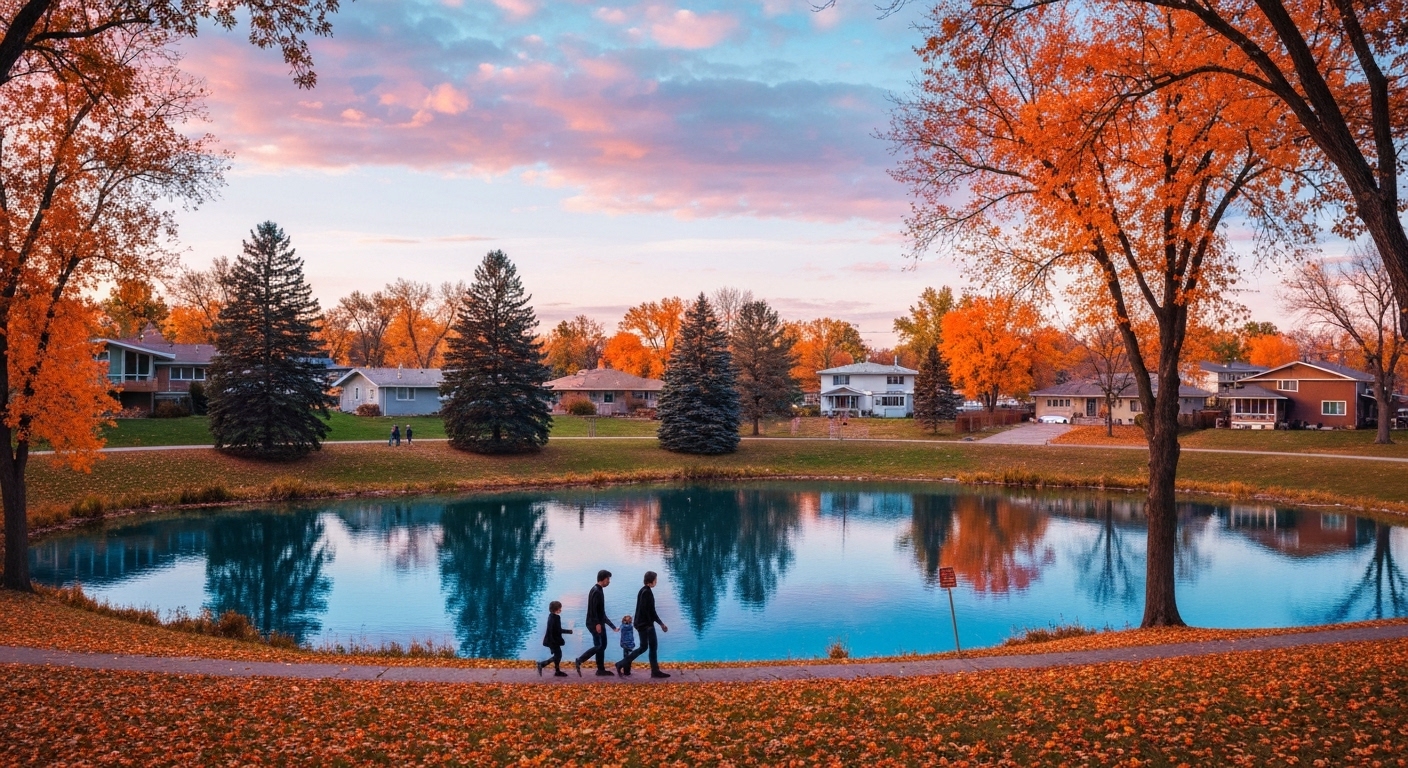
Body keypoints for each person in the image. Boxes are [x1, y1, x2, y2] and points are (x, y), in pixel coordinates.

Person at [618, 570, 669, 678]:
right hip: (646, 625)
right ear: (651, 581)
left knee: (644, 647)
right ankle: (655, 671)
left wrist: (658, 623)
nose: (656, 582)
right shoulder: (647, 592)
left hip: (641, 624)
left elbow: (646, 610)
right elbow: (650, 611)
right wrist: (660, 624)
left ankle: (621, 664)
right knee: (652, 647)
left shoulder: (643, 590)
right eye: (656, 580)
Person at [574, 570, 617, 676]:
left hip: (597, 622)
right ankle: (580, 660)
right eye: (608, 579)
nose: (609, 582)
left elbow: (601, 612)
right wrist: (597, 624)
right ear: (602, 579)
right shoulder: (596, 591)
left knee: (601, 645)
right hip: (594, 623)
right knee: (600, 645)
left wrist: (612, 626)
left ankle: (600, 669)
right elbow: (593, 609)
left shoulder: (598, 589)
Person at [536, 600, 572, 677]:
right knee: (558, 655)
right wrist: (569, 631)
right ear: (556, 609)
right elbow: (556, 630)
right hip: (553, 640)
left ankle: (556, 671)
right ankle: (542, 664)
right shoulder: (556, 618)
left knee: (558, 655)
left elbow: (554, 630)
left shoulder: (551, 616)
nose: (560, 610)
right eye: (559, 608)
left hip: (552, 640)